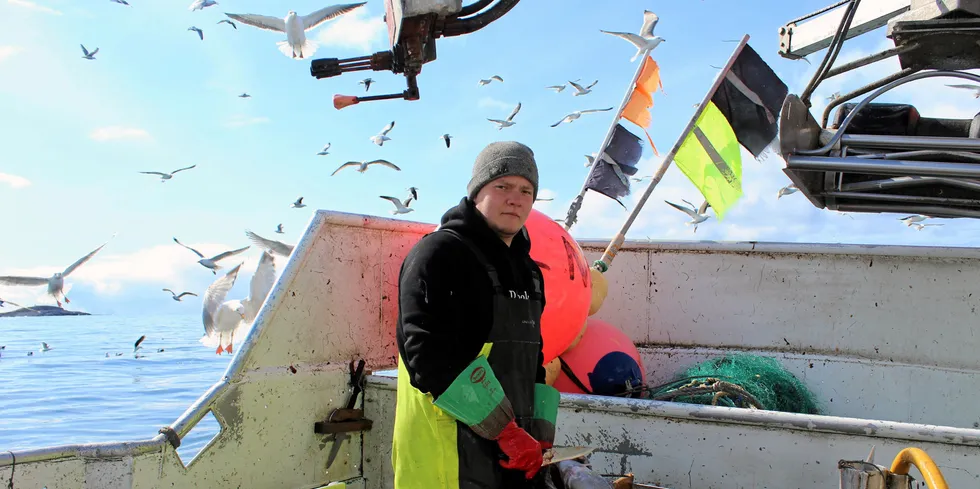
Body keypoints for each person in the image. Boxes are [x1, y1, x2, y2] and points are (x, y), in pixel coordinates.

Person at [392, 141, 560, 488]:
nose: (515, 198)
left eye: (526, 190)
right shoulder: (439, 254)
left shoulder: (529, 272)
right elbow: (430, 359)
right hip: (446, 457)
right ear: (477, 191)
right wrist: (508, 433)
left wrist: (540, 434)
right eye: (502, 186)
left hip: (511, 459)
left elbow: (532, 358)